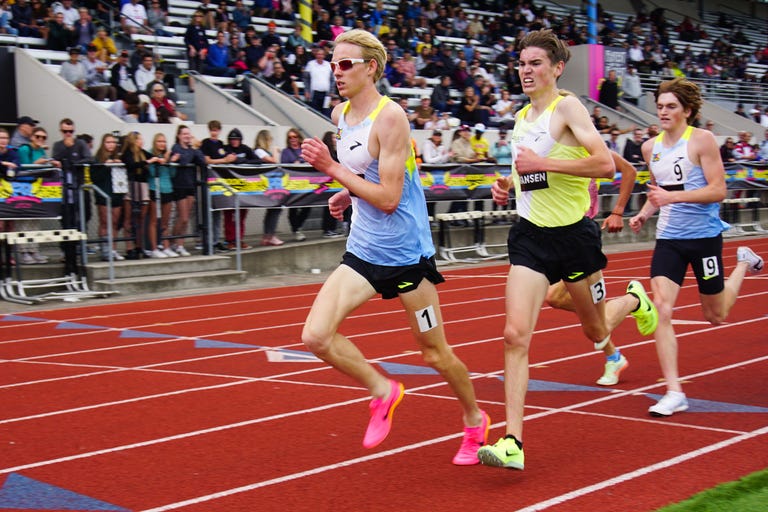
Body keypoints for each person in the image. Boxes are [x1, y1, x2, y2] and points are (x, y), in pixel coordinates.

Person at [299, 29, 489, 465]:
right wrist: (347, 192)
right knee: (315, 335)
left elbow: (387, 198)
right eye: (333, 63)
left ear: (372, 68)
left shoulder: (391, 118)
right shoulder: (340, 114)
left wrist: (330, 169)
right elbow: (368, 177)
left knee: (434, 352)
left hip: (407, 257)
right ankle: (383, 389)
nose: (336, 71)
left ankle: (474, 420)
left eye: (345, 64)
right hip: (364, 251)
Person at [476, 29, 655, 471]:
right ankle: (513, 442)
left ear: (557, 68)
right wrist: (506, 186)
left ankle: (633, 299)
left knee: (595, 332)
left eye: (535, 63)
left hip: (575, 238)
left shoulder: (567, 106)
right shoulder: (521, 118)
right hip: (531, 237)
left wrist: (546, 163)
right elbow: (526, 174)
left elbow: (603, 164)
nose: (526, 70)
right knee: (514, 335)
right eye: (521, 63)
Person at [628, 77, 764, 417]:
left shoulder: (701, 141)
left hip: (703, 239)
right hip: (669, 239)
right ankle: (674, 391)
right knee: (661, 307)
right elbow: (657, 191)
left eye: (671, 106)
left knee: (715, 314)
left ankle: (743, 262)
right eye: (659, 106)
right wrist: (644, 213)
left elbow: (718, 190)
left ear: (687, 110)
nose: (663, 111)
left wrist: (672, 196)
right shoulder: (650, 148)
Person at [16, 126, 61, 264]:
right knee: (24, 219)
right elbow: (24, 167)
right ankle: (24, 252)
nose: (41, 139)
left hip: (38, 187)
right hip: (24, 187)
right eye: (38, 137)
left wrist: (50, 163)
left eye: (43, 137)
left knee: (35, 219)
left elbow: (43, 168)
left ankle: (34, 250)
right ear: (32, 137)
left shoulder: (41, 150)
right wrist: (38, 163)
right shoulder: (25, 149)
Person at [200, 120, 237, 251]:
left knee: (217, 212)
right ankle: (208, 240)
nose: (214, 133)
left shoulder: (221, 144)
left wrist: (230, 158)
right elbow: (207, 160)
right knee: (208, 212)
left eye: (216, 130)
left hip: (219, 182)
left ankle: (216, 239)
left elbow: (226, 156)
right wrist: (223, 160)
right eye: (212, 130)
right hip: (209, 180)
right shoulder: (206, 143)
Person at [169, 125, 206, 256]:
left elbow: (202, 161)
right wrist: (191, 153)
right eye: (184, 133)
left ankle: (180, 244)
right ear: (179, 135)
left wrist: (196, 148)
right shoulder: (176, 147)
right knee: (183, 217)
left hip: (190, 185)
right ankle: (172, 240)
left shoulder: (192, 149)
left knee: (187, 216)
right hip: (179, 185)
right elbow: (184, 160)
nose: (187, 136)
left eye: (188, 134)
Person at [120, 131, 157, 259]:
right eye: (139, 139)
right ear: (133, 141)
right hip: (131, 185)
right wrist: (147, 162)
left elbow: (153, 157)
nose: (142, 142)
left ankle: (139, 246)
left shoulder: (143, 153)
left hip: (143, 185)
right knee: (129, 219)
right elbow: (131, 165)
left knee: (141, 218)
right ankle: (129, 247)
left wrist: (159, 159)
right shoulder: (127, 153)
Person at [90, 133, 126, 261]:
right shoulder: (97, 158)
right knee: (105, 222)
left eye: (113, 142)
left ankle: (113, 249)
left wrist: (119, 164)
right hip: (103, 193)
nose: (111, 145)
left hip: (116, 193)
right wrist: (106, 165)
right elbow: (94, 177)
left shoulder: (119, 157)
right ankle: (105, 250)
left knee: (115, 223)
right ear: (103, 143)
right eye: (108, 142)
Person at [222, 128, 260, 249]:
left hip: (243, 187)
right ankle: (230, 240)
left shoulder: (245, 149)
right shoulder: (225, 149)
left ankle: (239, 239)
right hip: (228, 186)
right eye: (232, 139)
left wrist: (241, 160)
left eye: (236, 139)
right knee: (228, 214)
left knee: (242, 214)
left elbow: (257, 161)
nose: (234, 142)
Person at [147, 132, 177, 258]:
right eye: (159, 141)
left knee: (165, 221)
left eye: (164, 141)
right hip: (155, 188)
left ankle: (166, 246)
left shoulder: (168, 154)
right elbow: (152, 172)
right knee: (154, 221)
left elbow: (173, 173)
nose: (162, 144)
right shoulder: (150, 153)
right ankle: (154, 248)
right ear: (155, 142)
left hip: (167, 188)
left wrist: (169, 160)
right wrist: (158, 161)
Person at [253, 129, 284, 246]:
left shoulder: (262, 151)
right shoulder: (259, 151)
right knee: (275, 208)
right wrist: (276, 151)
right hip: (265, 184)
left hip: (271, 184)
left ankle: (268, 235)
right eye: (269, 140)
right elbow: (274, 161)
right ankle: (269, 235)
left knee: (274, 209)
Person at [280, 128, 310, 242]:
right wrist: (293, 164)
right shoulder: (286, 151)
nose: (292, 139)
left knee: (308, 206)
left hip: (306, 183)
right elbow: (283, 165)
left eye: (295, 136)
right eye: (290, 137)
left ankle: (298, 226)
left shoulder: (304, 149)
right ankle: (296, 229)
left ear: (299, 137)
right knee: (293, 208)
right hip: (292, 184)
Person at [304, 47, 333, 113]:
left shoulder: (328, 65)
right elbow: (306, 79)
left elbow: (332, 80)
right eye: (318, 54)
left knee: (326, 111)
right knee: (314, 111)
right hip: (314, 93)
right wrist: (307, 91)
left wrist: (332, 91)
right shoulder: (310, 64)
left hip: (326, 94)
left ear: (324, 55)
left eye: (321, 54)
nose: (320, 56)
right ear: (316, 55)